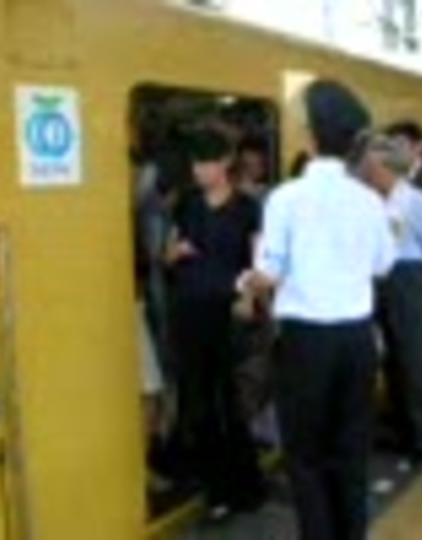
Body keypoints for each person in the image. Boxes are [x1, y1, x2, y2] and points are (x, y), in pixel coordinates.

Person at [239, 80, 397, 540]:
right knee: (350, 453)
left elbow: (269, 271)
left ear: (310, 136)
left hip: (306, 344)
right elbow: (383, 264)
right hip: (357, 341)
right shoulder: (370, 201)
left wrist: (245, 282)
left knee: (306, 457)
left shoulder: (285, 198)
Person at [166, 127, 266, 520]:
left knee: (231, 402)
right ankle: (218, 491)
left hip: (228, 313)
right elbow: (167, 255)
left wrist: (248, 298)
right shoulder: (187, 204)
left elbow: (258, 260)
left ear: (225, 162)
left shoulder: (246, 207)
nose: (198, 170)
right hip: (189, 309)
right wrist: (175, 252)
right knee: (199, 403)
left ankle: (247, 487)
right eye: (195, 163)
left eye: (206, 162)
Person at [356, 131, 422, 464]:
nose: (367, 174)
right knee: (391, 360)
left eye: (372, 169)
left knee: (414, 359)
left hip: (409, 277)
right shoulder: (369, 200)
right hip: (377, 280)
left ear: (387, 169)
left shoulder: (414, 200)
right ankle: (402, 430)